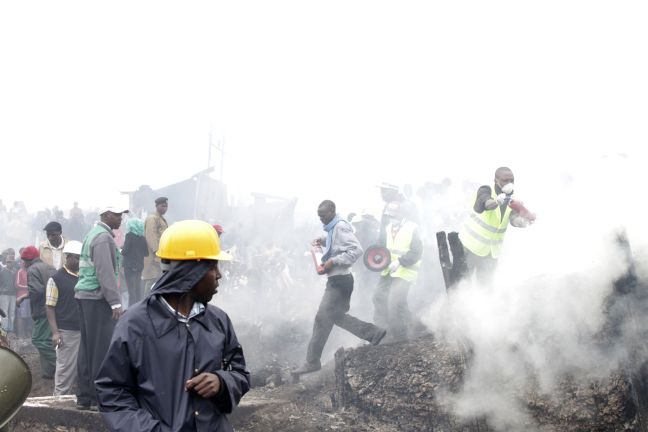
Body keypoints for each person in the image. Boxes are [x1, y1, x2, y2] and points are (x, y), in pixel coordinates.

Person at [95, 220, 250, 431]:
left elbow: (240, 373)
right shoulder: (135, 325)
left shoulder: (218, 320)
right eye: (213, 267)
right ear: (191, 271)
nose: (219, 275)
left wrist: (222, 381)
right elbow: (113, 392)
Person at [293, 200, 387, 376]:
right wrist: (323, 240)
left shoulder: (340, 227)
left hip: (339, 281)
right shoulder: (332, 228)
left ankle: (312, 362)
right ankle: (374, 333)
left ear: (332, 211)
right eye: (319, 216)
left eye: (323, 215)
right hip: (340, 281)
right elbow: (338, 245)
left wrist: (333, 261)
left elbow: (356, 250)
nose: (321, 220)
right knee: (335, 316)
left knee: (322, 319)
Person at [74, 206, 128, 410]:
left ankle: (84, 397)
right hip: (97, 298)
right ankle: (98, 398)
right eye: (117, 214)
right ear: (106, 215)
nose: (121, 218)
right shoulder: (104, 237)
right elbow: (105, 271)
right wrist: (115, 301)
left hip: (85, 296)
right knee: (100, 349)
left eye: (122, 215)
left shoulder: (93, 233)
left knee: (87, 348)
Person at [458, 167, 533, 285]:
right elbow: (486, 204)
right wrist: (497, 202)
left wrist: (523, 222)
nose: (509, 184)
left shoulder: (512, 199)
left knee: (486, 286)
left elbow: (513, 219)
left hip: (491, 252)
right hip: (470, 247)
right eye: (505, 180)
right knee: (463, 284)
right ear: (496, 180)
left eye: (512, 180)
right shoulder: (486, 190)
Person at [373, 201, 423, 341]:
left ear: (402, 214)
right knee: (378, 297)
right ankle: (389, 328)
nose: (391, 218)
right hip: (389, 270)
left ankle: (401, 338)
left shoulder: (413, 228)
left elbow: (417, 252)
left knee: (395, 303)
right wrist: (376, 255)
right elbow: (381, 246)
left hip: (405, 271)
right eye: (389, 215)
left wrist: (400, 261)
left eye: (394, 215)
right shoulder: (388, 228)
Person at [45, 240, 82, 396]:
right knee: (65, 370)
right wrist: (55, 332)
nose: (80, 261)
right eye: (77, 258)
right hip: (67, 331)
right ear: (68, 257)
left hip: (84, 328)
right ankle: (58, 403)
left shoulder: (85, 276)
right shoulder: (56, 279)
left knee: (83, 368)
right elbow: (49, 306)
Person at [16, 246, 57, 378]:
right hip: (55, 307)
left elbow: (37, 290)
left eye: (23, 260)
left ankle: (61, 362)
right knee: (47, 340)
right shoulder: (49, 267)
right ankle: (48, 373)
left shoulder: (32, 269)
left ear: (28, 260)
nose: (22, 263)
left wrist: (26, 297)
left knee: (39, 340)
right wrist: (24, 297)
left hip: (42, 310)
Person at [142, 197, 169, 295]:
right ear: (157, 206)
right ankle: (145, 306)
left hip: (160, 256)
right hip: (153, 256)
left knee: (158, 282)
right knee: (151, 281)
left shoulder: (161, 219)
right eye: (162, 206)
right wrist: (157, 254)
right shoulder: (152, 218)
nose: (165, 208)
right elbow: (151, 237)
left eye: (166, 206)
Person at [121, 218, 148, 306]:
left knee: (131, 291)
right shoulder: (143, 238)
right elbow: (146, 253)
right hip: (139, 266)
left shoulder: (129, 235)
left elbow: (125, 251)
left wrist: (121, 248)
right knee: (138, 290)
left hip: (129, 266)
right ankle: (138, 308)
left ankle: (130, 310)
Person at [0, 249, 18, 333]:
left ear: (13, 262)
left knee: (12, 313)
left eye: (11, 262)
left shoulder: (15, 272)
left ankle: (10, 329)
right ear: (5, 262)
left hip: (13, 294)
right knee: (4, 313)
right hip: (4, 294)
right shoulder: (2, 271)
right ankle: (4, 329)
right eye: (8, 262)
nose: (9, 263)